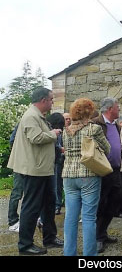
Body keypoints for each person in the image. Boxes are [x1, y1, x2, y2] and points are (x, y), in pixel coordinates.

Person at [7, 87, 63, 255]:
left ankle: (49, 237)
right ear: (43, 100)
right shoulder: (31, 116)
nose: (53, 102)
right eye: (51, 99)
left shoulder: (38, 116)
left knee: (49, 203)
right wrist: (53, 134)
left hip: (42, 169)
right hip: (34, 169)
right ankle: (25, 245)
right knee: (31, 207)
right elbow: (36, 138)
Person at [62, 98, 110, 256]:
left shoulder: (66, 130)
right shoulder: (94, 129)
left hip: (69, 175)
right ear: (89, 111)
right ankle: (89, 256)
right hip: (88, 174)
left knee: (70, 217)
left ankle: (69, 253)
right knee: (89, 217)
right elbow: (107, 149)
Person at [93, 97, 122, 253]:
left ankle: (103, 233)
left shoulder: (116, 125)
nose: (119, 109)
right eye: (117, 107)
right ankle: (97, 237)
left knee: (115, 201)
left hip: (115, 169)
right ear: (110, 109)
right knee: (101, 203)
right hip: (102, 170)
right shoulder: (96, 123)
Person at [47, 112, 65, 215]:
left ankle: (56, 206)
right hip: (51, 162)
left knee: (56, 185)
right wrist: (60, 149)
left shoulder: (58, 132)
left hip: (56, 161)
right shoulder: (53, 132)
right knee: (53, 186)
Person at [7, 124, 23, 233]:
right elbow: (12, 141)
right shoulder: (22, 124)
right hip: (21, 163)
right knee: (17, 192)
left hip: (26, 163)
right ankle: (12, 221)